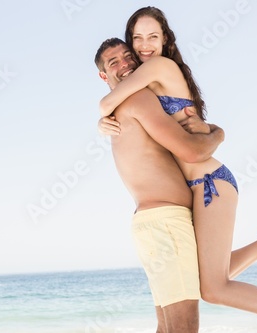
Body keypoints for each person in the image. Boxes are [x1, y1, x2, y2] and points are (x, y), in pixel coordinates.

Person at [97, 7, 257, 333]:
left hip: (209, 181)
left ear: (165, 39)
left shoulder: (157, 69)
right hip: (197, 185)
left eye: (151, 37)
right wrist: (104, 117)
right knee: (205, 283)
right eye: (136, 40)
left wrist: (103, 109)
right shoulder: (146, 87)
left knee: (213, 288)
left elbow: (190, 148)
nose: (139, 50)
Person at [95, 37, 226, 333]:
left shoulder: (118, 109)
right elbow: (193, 151)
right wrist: (219, 134)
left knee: (166, 327)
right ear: (104, 76)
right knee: (183, 328)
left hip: (154, 225)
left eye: (128, 56)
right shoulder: (138, 100)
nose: (125, 64)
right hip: (166, 223)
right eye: (114, 62)